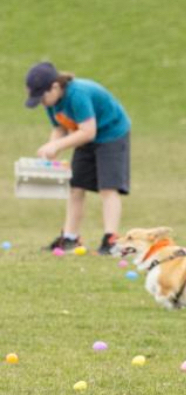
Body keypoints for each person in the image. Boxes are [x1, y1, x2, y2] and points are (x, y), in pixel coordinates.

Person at [24, 62, 131, 255]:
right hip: (82, 134)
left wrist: (56, 145)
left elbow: (89, 132)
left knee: (108, 187)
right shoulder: (52, 101)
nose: (42, 101)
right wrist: (52, 151)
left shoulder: (78, 94)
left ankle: (111, 239)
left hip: (111, 133)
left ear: (55, 86)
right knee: (75, 187)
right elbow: (59, 127)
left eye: (42, 96)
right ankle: (70, 238)